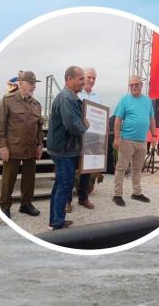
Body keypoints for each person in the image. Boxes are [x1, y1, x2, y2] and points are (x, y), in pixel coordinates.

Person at [0, 70, 44, 219]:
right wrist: (3, 146)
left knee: (29, 180)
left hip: (31, 148)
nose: (33, 86)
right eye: (31, 83)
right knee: (8, 179)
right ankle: (5, 206)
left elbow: (39, 127)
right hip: (12, 148)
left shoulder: (36, 105)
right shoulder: (7, 100)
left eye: (35, 84)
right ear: (20, 84)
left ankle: (26, 204)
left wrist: (40, 145)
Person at [47, 66, 89, 230]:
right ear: (69, 79)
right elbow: (73, 126)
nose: (83, 82)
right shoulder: (67, 98)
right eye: (80, 79)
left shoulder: (70, 97)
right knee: (64, 185)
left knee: (60, 184)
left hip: (64, 148)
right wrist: (85, 126)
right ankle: (57, 222)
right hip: (64, 150)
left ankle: (56, 219)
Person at [112, 76, 157, 206]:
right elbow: (118, 120)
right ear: (129, 86)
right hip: (127, 140)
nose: (134, 87)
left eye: (136, 84)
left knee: (137, 169)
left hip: (142, 141)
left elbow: (152, 119)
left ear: (141, 85)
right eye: (131, 85)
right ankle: (117, 194)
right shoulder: (124, 100)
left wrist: (154, 135)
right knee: (121, 168)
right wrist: (116, 137)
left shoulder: (147, 101)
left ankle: (136, 193)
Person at [69, 67, 99, 211]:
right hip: (75, 138)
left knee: (87, 170)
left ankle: (83, 198)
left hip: (90, 139)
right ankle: (67, 200)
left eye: (94, 78)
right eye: (89, 77)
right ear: (82, 78)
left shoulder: (96, 97)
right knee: (71, 169)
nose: (91, 80)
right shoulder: (75, 95)